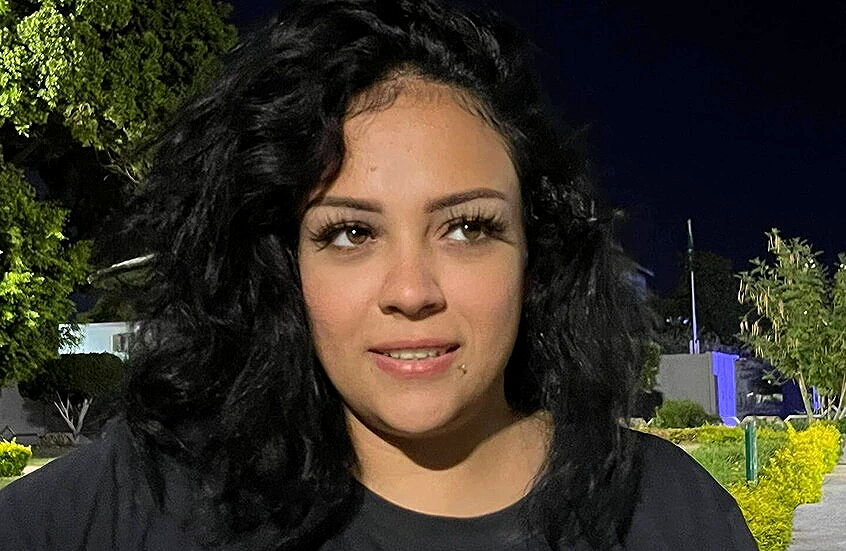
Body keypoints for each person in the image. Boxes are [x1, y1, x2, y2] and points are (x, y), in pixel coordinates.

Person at [0, 1, 757, 549]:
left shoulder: (666, 514)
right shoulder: (149, 496)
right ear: (284, 263)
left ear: (536, 252)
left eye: (467, 227)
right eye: (351, 233)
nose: (411, 290)